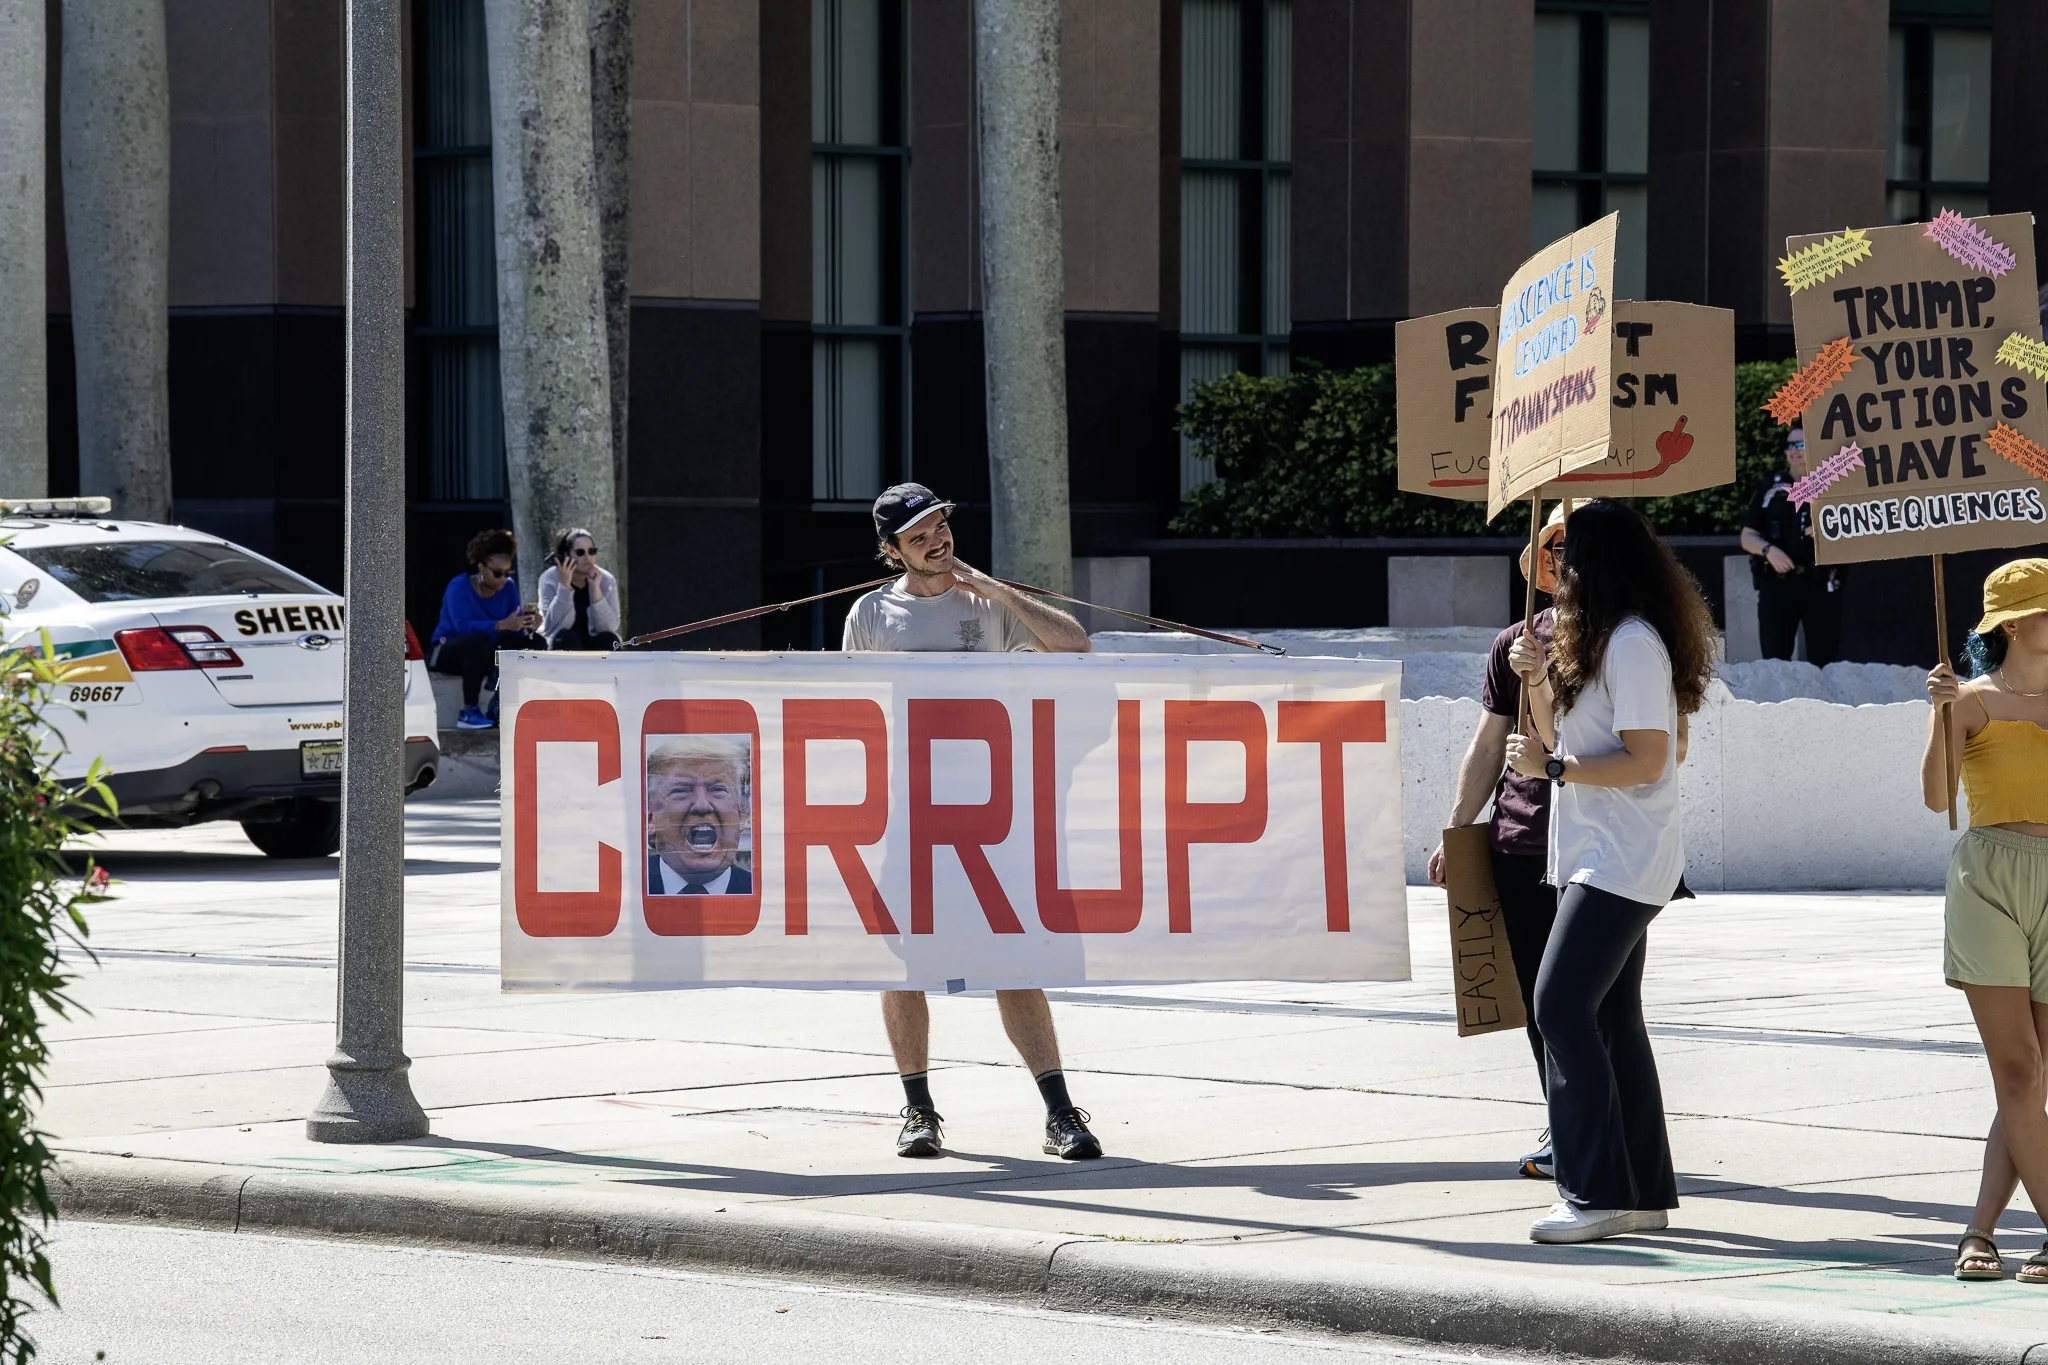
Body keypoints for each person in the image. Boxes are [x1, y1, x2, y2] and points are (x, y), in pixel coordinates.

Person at [842, 482, 1105, 1163]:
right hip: (906, 812)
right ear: (892, 550)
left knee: (1013, 956)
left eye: (940, 525)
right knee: (902, 964)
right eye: (919, 534)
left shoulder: (985, 602)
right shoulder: (871, 615)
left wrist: (998, 591)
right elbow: (851, 716)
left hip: (991, 813)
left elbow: (1075, 648)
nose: (937, 539)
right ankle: (920, 1110)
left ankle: (1059, 1112)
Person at [1503, 498, 1717, 1244]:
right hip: (1600, 854)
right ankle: (1644, 1191)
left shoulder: (1630, 643)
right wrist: (1533, 678)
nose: (1556, 571)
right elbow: (1546, 737)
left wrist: (1556, 766)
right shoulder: (1597, 641)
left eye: (1567, 558)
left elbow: (1651, 757)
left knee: (1558, 1005)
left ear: (1599, 563)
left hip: (1622, 859)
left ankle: (1593, 1190)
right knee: (1613, 1018)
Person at [1428, 503, 1568, 1183]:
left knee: (1583, 998)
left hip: (1592, 846)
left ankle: (1597, 1124)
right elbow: (1487, 745)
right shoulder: (1512, 641)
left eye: (1576, 544)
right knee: (1539, 1001)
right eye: (1553, 545)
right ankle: (1565, 1119)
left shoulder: (1626, 639)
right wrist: (1458, 832)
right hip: (1518, 842)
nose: (1563, 558)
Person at [1920, 558, 2048, 1283]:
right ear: (2011, 624)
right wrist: (1940, 718)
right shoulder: (1968, 698)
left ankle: (1980, 1230)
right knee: (2019, 1066)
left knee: (2032, 1082)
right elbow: (1938, 799)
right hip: (1990, 875)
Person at [1740, 425, 1847, 667]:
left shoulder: (1835, 486)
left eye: (1801, 445)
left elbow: (1853, 529)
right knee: (1774, 662)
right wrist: (1768, 551)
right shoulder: (1771, 487)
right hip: (1777, 585)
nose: (1794, 451)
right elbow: (1747, 535)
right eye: (1790, 445)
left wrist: (1826, 531)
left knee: (1825, 662)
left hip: (1820, 584)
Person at [429, 529, 543, 730]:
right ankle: (468, 710)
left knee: (535, 643)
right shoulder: (458, 586)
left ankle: (501, 705)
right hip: (446, 651)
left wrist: (526, 624)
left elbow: (512, 633)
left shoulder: (508, 588)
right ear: (481, 567)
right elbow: (462, 627)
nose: (503, 578)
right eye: (498, 573)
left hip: (484, 654)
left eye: (508, 573)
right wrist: (500, 625)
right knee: (478, 640)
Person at [646, 737, 753, 895]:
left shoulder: (769, 896)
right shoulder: (624, 890)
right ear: (651, 819)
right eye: (681, 790)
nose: (702, 805)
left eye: (718, 789)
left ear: (740, 815)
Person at [540, 527, 622, 651]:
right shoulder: (550, 578)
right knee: (567, 638)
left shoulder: (606, 580)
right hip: (563, 643)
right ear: (566, 555)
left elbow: (610, 627)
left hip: (592, 641)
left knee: (610, 640)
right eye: (580, 552)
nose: (587, 557)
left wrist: (595, 591)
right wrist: (564, 587)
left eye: (592, 551)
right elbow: (552, 627)